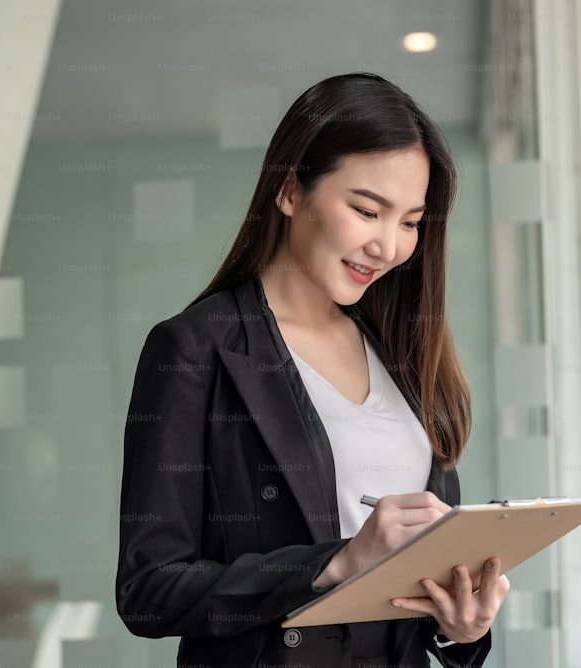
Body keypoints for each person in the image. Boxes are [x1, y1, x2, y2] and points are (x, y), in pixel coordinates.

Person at [115, 72, 509, 668]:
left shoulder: (403, 351)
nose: (389, 246)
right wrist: (334, 563)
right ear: (290, 191)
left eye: (409, 222)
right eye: (366, 210)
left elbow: (418, 585)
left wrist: (462, 628)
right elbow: (147, 592)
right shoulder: (195, 348)